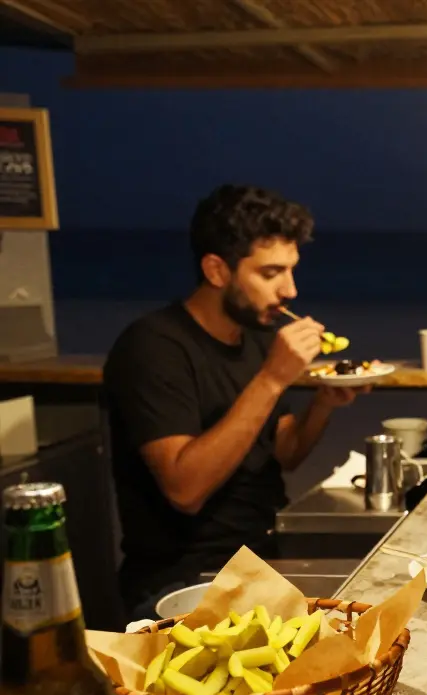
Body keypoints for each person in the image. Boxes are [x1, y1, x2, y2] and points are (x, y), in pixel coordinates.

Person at [103, 184, 367, 620]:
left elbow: (286, 452)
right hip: (183, 578)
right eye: (271, 273)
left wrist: (324, 404)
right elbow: (185, 490)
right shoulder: (153, 348)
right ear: (216, 270)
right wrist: (273, 378)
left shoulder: (259, 339)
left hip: (263, 557)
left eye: (292, 270)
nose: (290, 290)